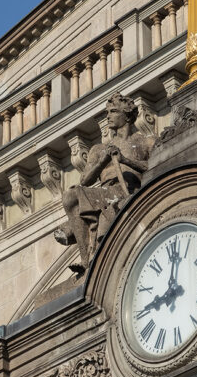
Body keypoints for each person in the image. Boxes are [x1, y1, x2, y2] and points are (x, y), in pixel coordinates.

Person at [55, 93, 154, 270]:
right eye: (107, 112)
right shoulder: (99, 149)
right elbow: (85, 180)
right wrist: (102, 161)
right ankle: (86, 257)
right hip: (105, 192)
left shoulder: (145, 142)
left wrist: (125, 160)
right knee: (70, 196)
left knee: (105, 207)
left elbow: (157, 166)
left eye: (114, 111)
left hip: (130, 191)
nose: (108, 116)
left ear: (127, 115)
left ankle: (75, 234)